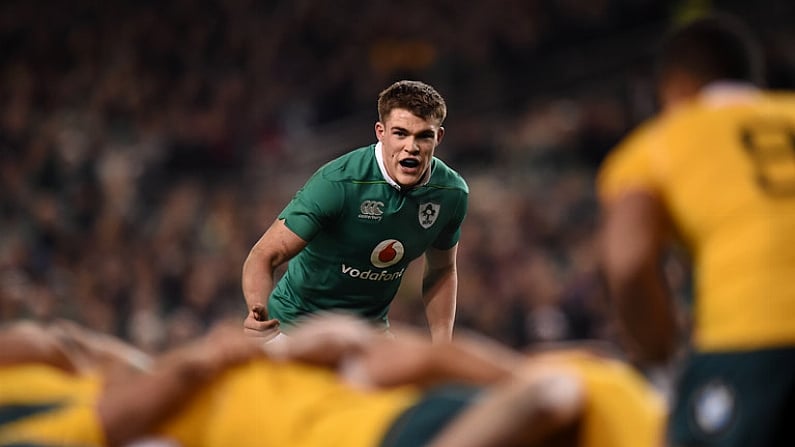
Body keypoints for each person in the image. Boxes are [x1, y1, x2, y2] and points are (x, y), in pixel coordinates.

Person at [0, 315, 664, 447]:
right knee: (561, 392)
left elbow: (401, 354)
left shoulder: (243, 361)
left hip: (404, 421)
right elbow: (116, 413)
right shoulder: (193, 377)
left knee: (562, 390)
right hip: (382, 430)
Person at [597, 13, 795, 447]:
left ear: (677, 86)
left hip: (752, 340)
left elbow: (627, 262)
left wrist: (658, 353)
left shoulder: (658, 143)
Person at [242, 80, 469, 342]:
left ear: (438, 137)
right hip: (293, 329)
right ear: (380, 132)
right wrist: (256, 309)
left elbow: (442, 270)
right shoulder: (338, 183)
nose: (412, 147)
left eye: (424, 136)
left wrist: (442, 345)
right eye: (400, 134)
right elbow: (264, 254)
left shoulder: (451, 193)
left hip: (367, 337)